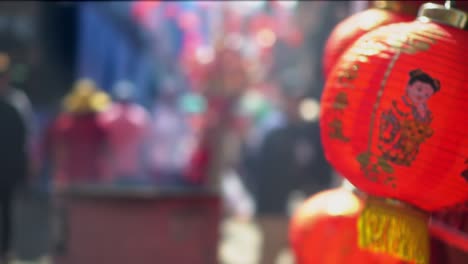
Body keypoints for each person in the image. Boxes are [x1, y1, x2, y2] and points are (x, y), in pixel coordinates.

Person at [0, 52, 33, 263]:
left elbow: (27, 139)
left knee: (7, 210)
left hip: (9, 168)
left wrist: (27, 167)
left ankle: (6, 251)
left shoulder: (18, 103)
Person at [98, 80, 151, 184]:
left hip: (112, 168)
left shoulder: (106, 116)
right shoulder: (141, 116)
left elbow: (102, 144)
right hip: (135, 168)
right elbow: (146, 144)